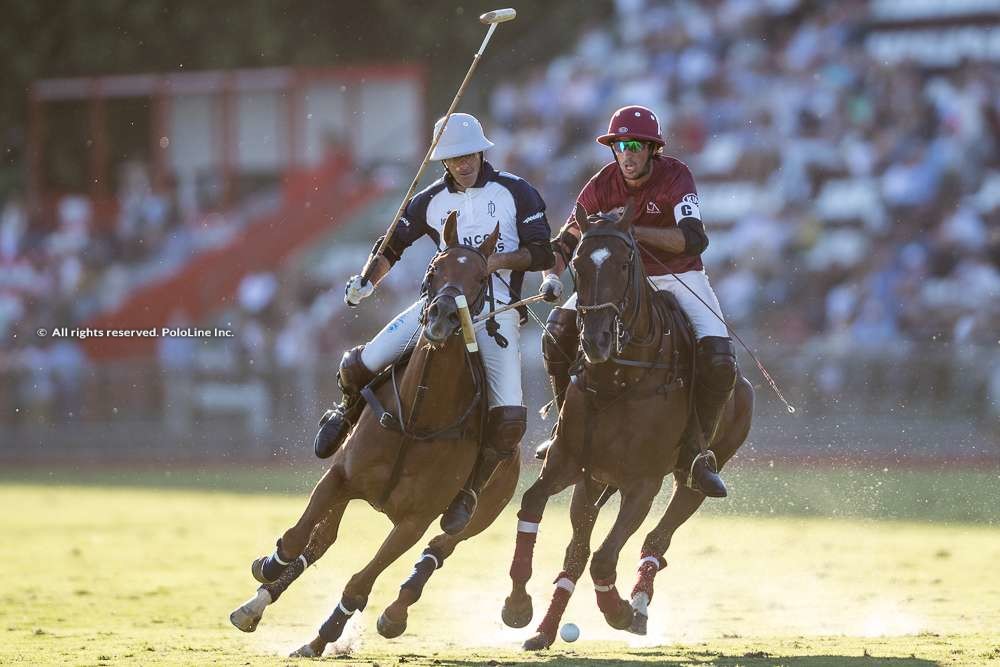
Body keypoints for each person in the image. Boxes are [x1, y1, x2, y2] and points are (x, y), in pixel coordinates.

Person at [314, 112, 554, 534]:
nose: (462, 164)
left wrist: (489, 263)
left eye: (467, 155)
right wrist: (367, 280)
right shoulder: (429, 199)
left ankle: (471, 489)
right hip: (439, 304)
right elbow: (393, 245)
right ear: (443, 161)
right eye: (452, 157)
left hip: (496, 308)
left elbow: (543, 253)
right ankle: (346, 414)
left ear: (481, 151)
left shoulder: (516, 192)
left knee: (510, 419)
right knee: (357, 364)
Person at [538, 104, 736, 498]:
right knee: (556, 332)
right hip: (618, 280)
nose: (626, 154)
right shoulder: (600, 184)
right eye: (619, 145)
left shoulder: (677, 177)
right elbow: (567, 239)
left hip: (679, 275)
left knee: (719, 360)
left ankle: (696, 454)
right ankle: (564, 431)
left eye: (634, 145)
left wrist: (632, 230)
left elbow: (694, 238)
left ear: (651, 149)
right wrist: (549, 277)